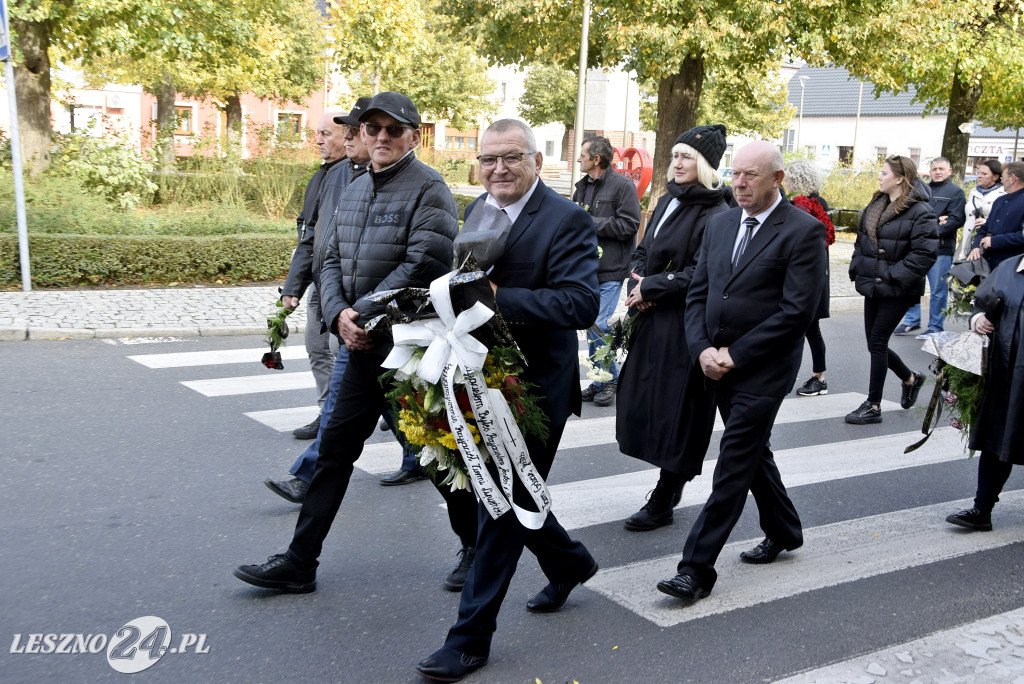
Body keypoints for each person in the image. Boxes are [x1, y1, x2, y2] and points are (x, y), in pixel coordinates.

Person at [234, 92, 480, 595]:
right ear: (363, 134)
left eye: (394, 130)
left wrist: (361, 311)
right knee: (334, 456)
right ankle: (301, 562)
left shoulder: (429, 188)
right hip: (358, 346)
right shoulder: (353, 186)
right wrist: (337, 313)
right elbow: (328, 260)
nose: (382, 138)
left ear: (415, 136)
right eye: (373, 130)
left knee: (434, 453)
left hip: (406, 348)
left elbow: (424, 266)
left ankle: (475, 546)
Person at [416, 119, 600, 682]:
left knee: (500, 507)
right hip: (481, 379)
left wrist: (498, 298)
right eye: (488, 159)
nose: (498, 169)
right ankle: (571, 562)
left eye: (511, 158)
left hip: (536, 390)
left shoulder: (568, 219)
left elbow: (580, 305)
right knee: (509, 493)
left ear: (536, 161)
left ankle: (469, 640)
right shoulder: (479, 209)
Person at [655, 141, 827, 604]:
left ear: (778, 178)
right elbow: (698, 292)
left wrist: (737, 353)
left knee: (733, 464)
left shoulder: (803, 231)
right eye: (735, 174)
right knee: (753, 453)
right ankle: (785, 529)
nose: (741, 183)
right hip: (715, 362)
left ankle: (695, 570)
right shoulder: (721, 222)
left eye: (752, 175)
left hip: (763, 368)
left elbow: (796, 312)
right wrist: (702, 350)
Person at [615, 125, 729, 532]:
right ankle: (665, 482)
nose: (677, 163)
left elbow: (702, 273)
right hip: (654, 316)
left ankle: (666, 493)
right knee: (646, 401)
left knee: (679, 411)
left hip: (687, 323)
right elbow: (643, 251)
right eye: (675, 155)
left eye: (686, 157)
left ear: (704, 165)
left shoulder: (718, 211)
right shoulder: (668, 200)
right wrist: (637, 283)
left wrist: (653, 287)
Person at [264, 98, 373, 504]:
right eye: (347, 130)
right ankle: (309, 483)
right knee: (355, 402)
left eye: (352, 130)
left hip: (372, 315)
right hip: (338, 301)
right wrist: (306, 289)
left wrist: (359, 304)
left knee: (384, 406)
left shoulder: (414, 184)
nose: (348, 137)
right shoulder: (336, 177)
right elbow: (317, 239)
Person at [845, 155, 938, 425]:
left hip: (898, 288)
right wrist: (857, 267)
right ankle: (911, 378)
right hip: (873, 285)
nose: (879, 176)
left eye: (884, 173)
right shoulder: (876, 203)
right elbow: (861, 242)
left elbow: (924, 255)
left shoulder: (921, 211)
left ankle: (873, 405)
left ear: (900, 178)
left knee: (876, 343)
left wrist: (891, 275)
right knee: (875, 343)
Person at [281, 109, 349, 439]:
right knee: (316, 347)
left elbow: (331, 237)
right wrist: (296, 281)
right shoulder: (322, 174)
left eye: (326, 133)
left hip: (335, 283)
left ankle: (341, 417)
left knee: (340, 355)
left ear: (348, 135)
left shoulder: (346, 175)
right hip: (319, 281)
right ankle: (327, 414)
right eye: (317, 133)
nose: (318, 139)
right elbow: (307, 227)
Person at [946, 252, 1024, 532]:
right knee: (996, 440)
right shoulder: (1007, 268)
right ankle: (982, 509)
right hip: (1003, 374)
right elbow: (979, 303)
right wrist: (977, 319)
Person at [573, 136, 641, 407]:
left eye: (583, 155)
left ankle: (610, 379)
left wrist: (590, 222)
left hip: (612, 268)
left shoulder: (622, 186)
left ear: (596, 159)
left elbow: (629, 225)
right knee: (591, 325)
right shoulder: (582, 187)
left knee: (599, 325)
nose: (579, 159)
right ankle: (602, 379)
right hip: (586, 269)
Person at [893, 157, 965, 338]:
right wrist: (935, 221)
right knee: (911, 284)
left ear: (950, 171)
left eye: (941, 168)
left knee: (938, 290)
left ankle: (935, 326)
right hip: (916, 248)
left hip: (941, 249)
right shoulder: (920, 189)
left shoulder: (955, 192)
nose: (937, 172)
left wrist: (929, 230)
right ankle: (911, 320)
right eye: (934, 169)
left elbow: (956, 220)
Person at [785, 160, 836, 397]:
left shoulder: (809, 204)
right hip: (809, 271)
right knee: (806, 326)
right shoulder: (807, 202)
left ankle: (819, 377)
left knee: (809, 326)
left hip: (808, 272)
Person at [967, 161, 1024, 270]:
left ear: (1012, 178)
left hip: (1012, 266)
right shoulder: (1000, 200)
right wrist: (976, 246)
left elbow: (1022, 236)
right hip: (989, 264)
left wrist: (994, 241)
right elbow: (985, 227)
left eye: (1002, 178)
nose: (1001, 181)